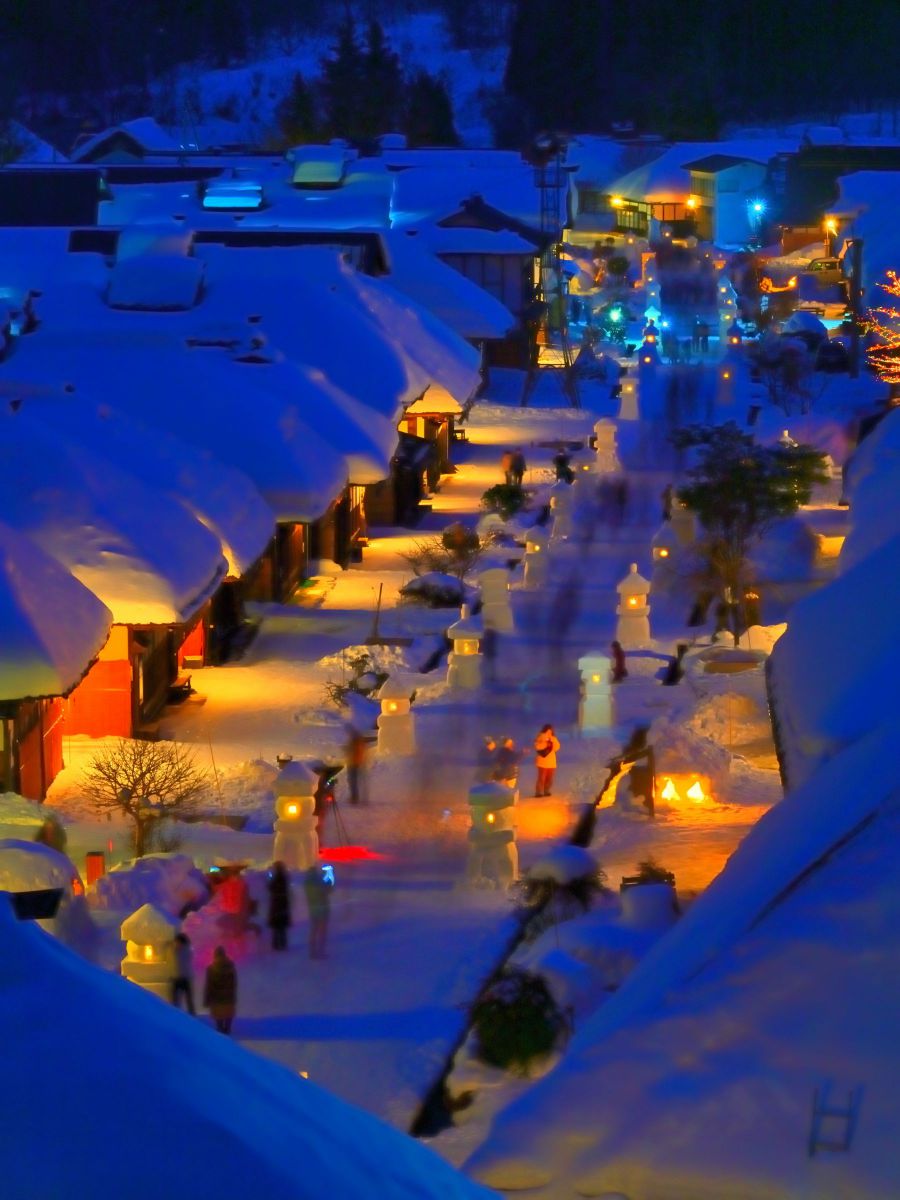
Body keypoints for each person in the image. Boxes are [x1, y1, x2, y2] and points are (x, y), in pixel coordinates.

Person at [203, 946, 237, 1034]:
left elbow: (209, 986)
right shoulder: (231, 966)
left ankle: (220, 1030)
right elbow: (234, 982)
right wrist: (233, 994)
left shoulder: (211, 969)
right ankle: (227, 1028)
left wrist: (207, 999)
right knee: (228, 1014)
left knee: (219, 1017)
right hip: (229, 996)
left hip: (217, 998)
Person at [303, 864, 332, 960]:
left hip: (313, 909)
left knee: (314, 930)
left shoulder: (307, 883)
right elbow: (329, 890)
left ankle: (312, 951)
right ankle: (321, 951)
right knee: (322, 932)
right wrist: (328, 876)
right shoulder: (318, 882)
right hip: (322, 909)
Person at [267, 861, 292, 951]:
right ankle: (282, 944)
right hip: (282, 904)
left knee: (277, 928)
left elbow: (270, 888)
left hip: (276, 905)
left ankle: (276, 944)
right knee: (282, 928)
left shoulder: (275, 879)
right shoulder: (284, 878)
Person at [533, 724, 561, 798]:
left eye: (550, 731)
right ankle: (539, 792)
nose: (549, 732)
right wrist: (544, 741)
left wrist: (552, 741)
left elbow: (557, 748)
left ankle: (546, 790)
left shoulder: (553, 738)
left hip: (551, 762)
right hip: (542, 762)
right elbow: (537, 747)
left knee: (549, 778)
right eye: (548, 731)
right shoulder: (540, 737)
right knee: (541, 778)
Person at [171, 932, 195, 1015]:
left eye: (177, 942)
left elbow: (182, 963)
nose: (176, 943)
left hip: (183, 977)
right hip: (182, 977)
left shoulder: (183, 951)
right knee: (185, 999)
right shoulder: (187, 950)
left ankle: (178, 1013)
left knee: (180, 998)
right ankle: (190, 1014)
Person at [345, 727, 368, 805]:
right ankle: (356, 798)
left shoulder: (355, 742)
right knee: (354, 782)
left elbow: (354, 752)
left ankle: (354, 798)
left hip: (353, 764)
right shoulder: (358, 741)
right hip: (355, 763)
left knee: (353, 782)